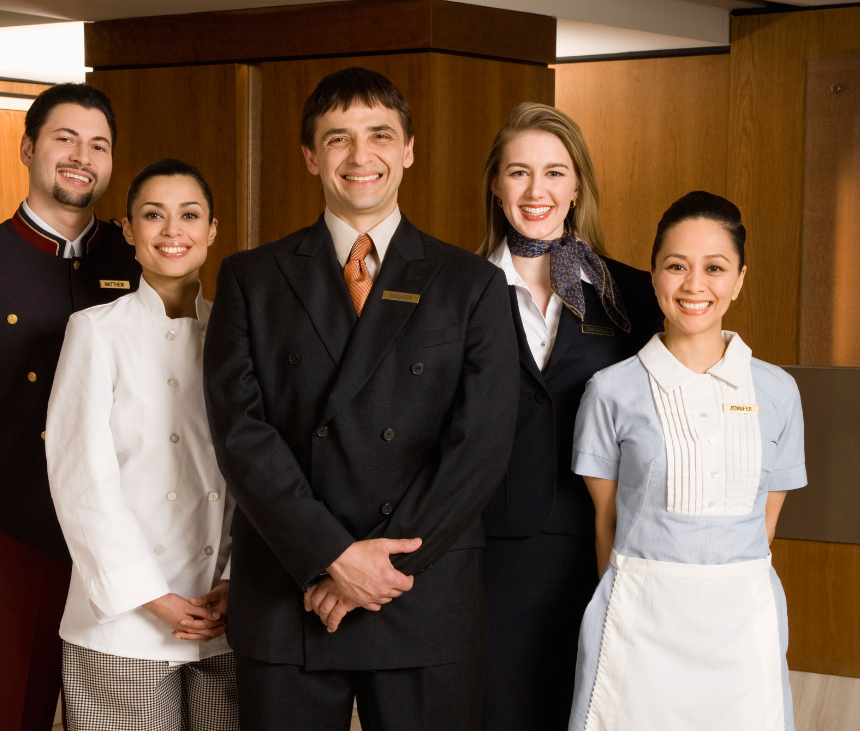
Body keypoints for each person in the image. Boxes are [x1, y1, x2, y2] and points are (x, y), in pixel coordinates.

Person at [203, 67, 520, 731]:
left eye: (379, 135)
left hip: (421, 594)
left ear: (408, 149)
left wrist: (379, 570)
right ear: (311, 156)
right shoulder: (250, 278)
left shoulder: (471, 285)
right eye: (338, 138)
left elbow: (480, 446)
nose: (360, 156)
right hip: (291, 593)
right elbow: (242, 437)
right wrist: (333, 558)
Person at [0, 83, 142, 731]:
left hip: (124, 540)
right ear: (28, 147)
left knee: (123, 716)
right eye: (65, 138)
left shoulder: (139, 260)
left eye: (98, 144)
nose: (81, 156)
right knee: (16, 715)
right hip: (19, 534)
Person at [570, 191, 806, 731]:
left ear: (740, 279)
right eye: (676, 266)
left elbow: (764, 526)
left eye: (714, 268)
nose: (694, 285)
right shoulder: (610, 391)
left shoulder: (778, 392)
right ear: (653, 276)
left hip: (742, 627)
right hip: (640, 623)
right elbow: (606, 525)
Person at [477, 103, 662, 731]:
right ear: (497, 185)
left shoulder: (632, 295)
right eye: (519, 172)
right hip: (491, 559)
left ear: (577, 185)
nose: (537, 191)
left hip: (604, 550)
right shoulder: (455, 290)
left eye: (555, 173)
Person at [46, 158, 238, 731]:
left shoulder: (237, 333)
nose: (172, 230)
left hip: (221, 616)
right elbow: (81, 481)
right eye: (153, 215)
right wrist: (148, 594)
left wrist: (235, 579)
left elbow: (254, 474)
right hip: (121, 622)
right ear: (128, 231)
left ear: (212, 229)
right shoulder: (95, 330)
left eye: (189, 215)